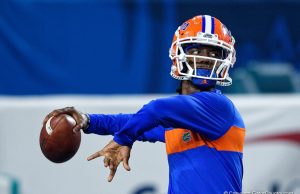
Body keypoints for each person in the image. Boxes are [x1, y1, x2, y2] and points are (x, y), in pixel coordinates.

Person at [43, 15, 245, 193]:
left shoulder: (219, 107)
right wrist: (87, 121)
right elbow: (134, 121)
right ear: (178, 54)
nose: (206, 59)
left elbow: (155, 110)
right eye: (198, 50)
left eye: (214, 53)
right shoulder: (179, 119)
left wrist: (124, 138)